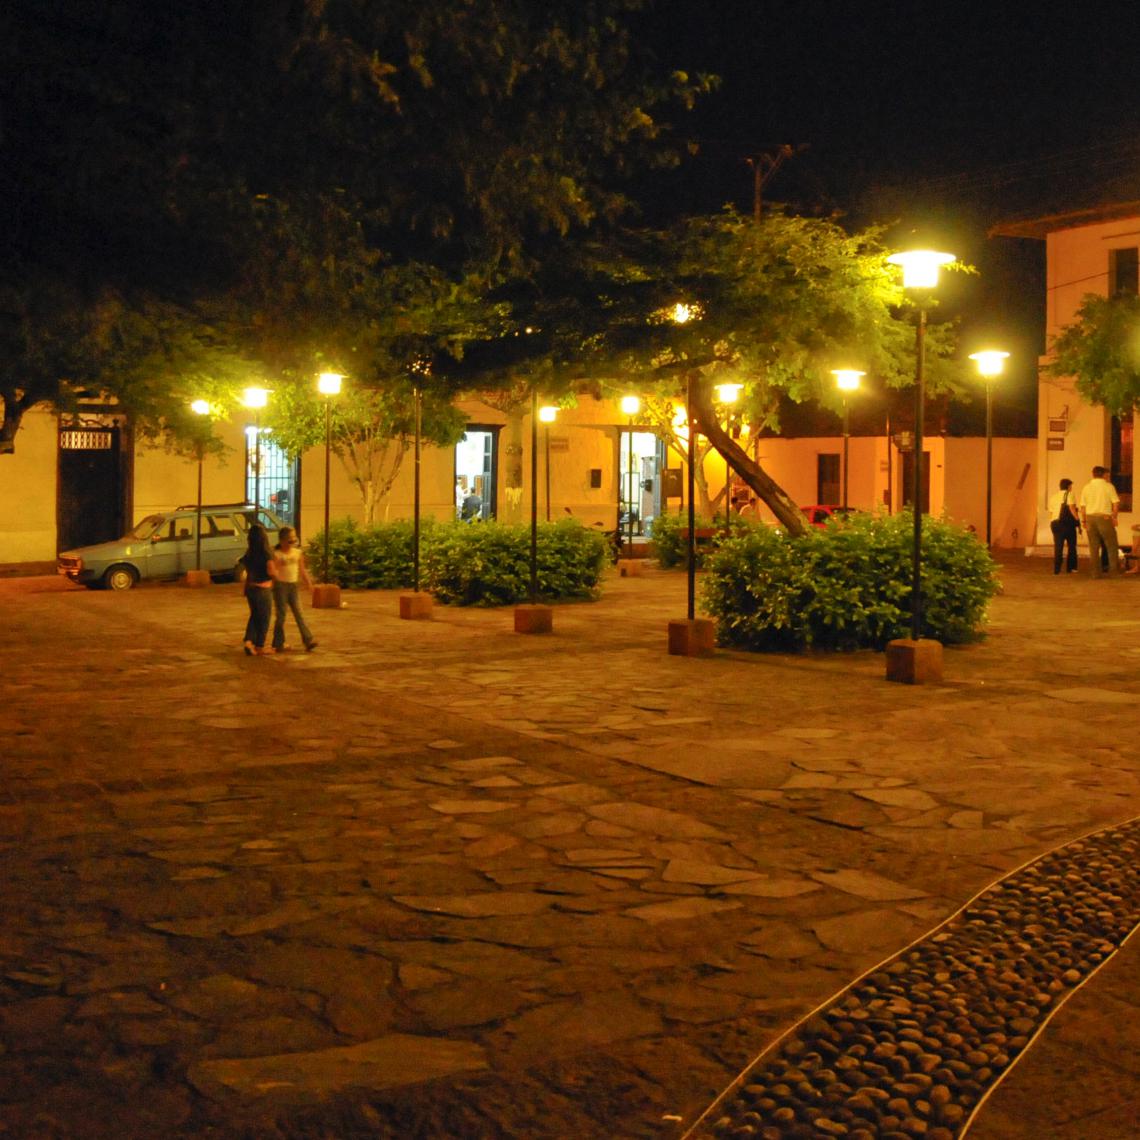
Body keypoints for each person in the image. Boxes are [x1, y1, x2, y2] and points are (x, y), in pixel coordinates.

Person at [272, 526, 317, 652]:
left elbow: (302, 570)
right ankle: (278, 642)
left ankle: (308, 640)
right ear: (282, 540)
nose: (293, 539)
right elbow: (273, 572)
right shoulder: (277, 554)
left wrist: (309, 584)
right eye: (290, 537)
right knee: (281, 616)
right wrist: (272, 585)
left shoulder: (297, 553)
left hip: (293, 586)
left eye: (294, 536)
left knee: (299, 613)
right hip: (281, 587)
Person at [240, 523, 278, 655]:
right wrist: (277, 575)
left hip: (251, 589)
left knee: (254, 616)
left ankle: (249, 641)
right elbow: (271, 571)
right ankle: (260, 645)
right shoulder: (266, 553)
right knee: (264, 618)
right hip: (263, 589)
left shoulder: (249, 554)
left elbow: (246, 571)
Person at [1078, 466, 1121, 577]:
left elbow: (1083, 506)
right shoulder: (1108, 486)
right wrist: (1114, 517)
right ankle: (1114, 571)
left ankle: (1095, 573)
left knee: (1093, 547)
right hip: (1104, 518)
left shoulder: (1086, 487)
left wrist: (1084, 521)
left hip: (1090, 518)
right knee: (1111, 545)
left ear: (1093, 474)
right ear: (1103, 474)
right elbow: (1115, 503)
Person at [1047, 477, 1080, 574]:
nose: (1071, 488)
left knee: (1058, 546)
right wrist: (1077, 519)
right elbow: (1072, 508)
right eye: (1071, 486)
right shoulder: (1069, 494)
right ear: (1069, 486)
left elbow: (1051, 512)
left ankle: (1057, 569)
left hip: (1055, 523)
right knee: (1072, 545)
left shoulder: (1053, 497)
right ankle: (1071, 568)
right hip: (1067, 524)